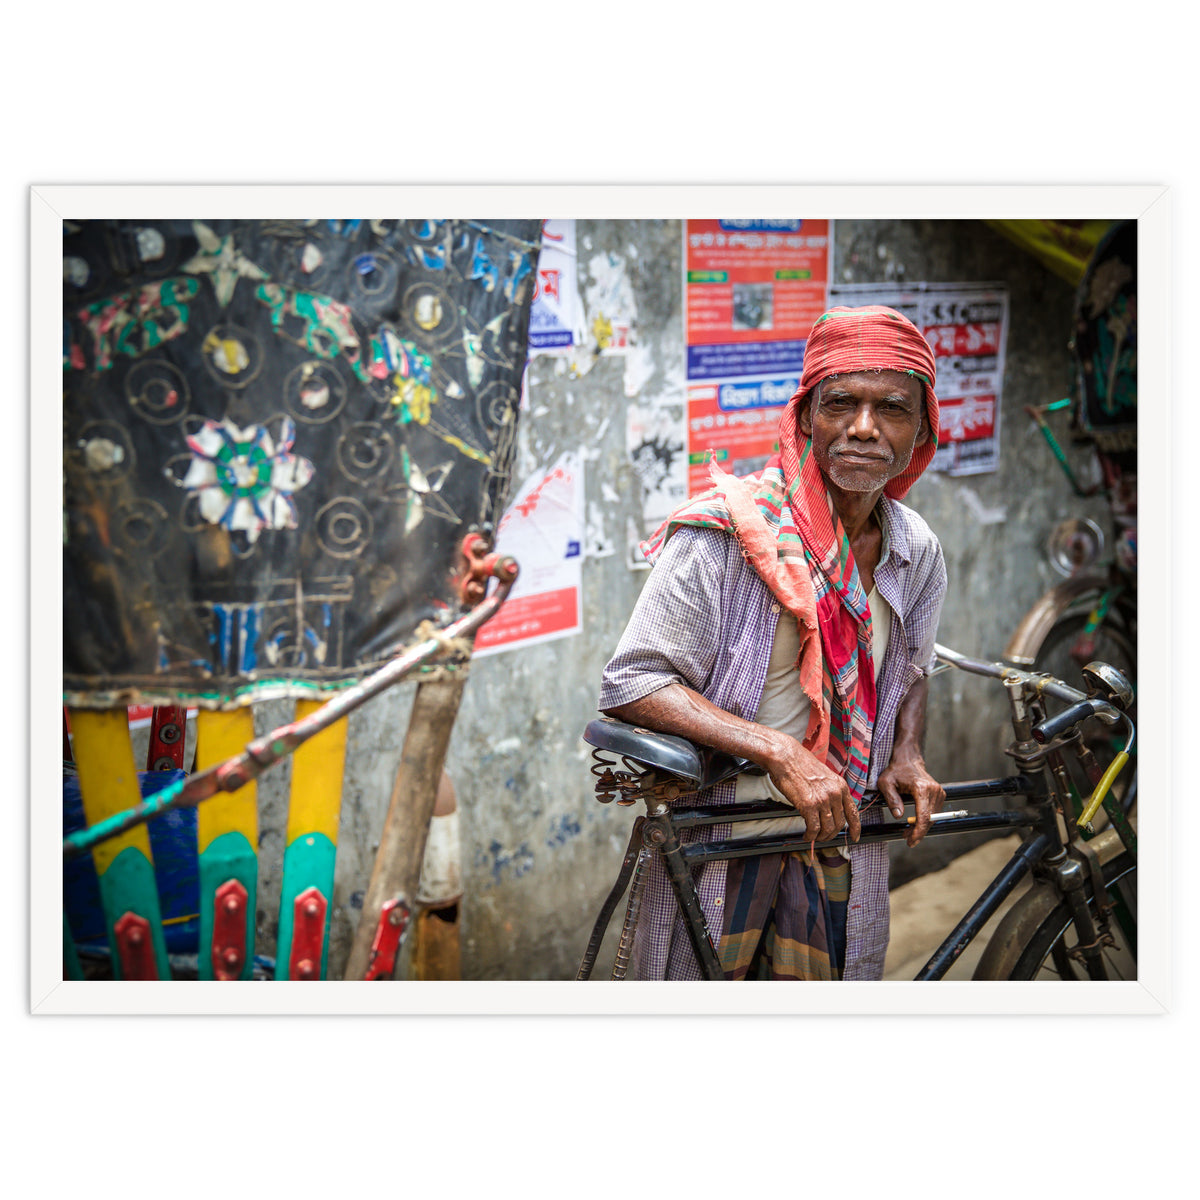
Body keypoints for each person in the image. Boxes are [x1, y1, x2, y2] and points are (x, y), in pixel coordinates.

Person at [599, 305, 948, 980]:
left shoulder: (916, 550)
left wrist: (907, 751)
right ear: (806, 417)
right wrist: (781, 751)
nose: (864, 428)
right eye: (841, 403)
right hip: (726, 837)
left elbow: (911, 666)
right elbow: (633, 682)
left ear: (923, 429)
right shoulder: (726, 536)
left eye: (893, 409)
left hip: (840, 832)